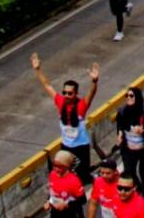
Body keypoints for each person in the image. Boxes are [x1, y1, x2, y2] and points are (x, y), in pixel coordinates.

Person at [30, 53, 100, 184]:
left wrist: (95, 81)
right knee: (65, 175)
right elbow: (47, 85)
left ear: (76, 94)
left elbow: (92, 93)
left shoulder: (81, 106)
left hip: (81, 146)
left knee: (83, 177)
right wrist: (37, 69)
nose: (66, 95)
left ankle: (93, 179)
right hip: (66, 146)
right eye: (65, 92)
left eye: (70, 93)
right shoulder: (60, 102)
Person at [116, 87, 144, 200]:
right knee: (129, 171)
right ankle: (138, 189)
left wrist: (143, 131)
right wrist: (120, 134)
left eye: (131, 96)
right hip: (129, 149)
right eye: (127, 96)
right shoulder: (122, 112)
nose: (128, 98)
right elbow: (120, 125)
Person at [45, 148, 87, 216]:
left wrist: (66, 205)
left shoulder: (74, 181)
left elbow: (82, 200)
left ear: (67, 166)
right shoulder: (52, 174)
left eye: (60, 167)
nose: (56, 169)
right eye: (55, 165)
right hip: (56, 212)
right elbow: (52, 192)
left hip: (71, 213)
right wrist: (48, 202)